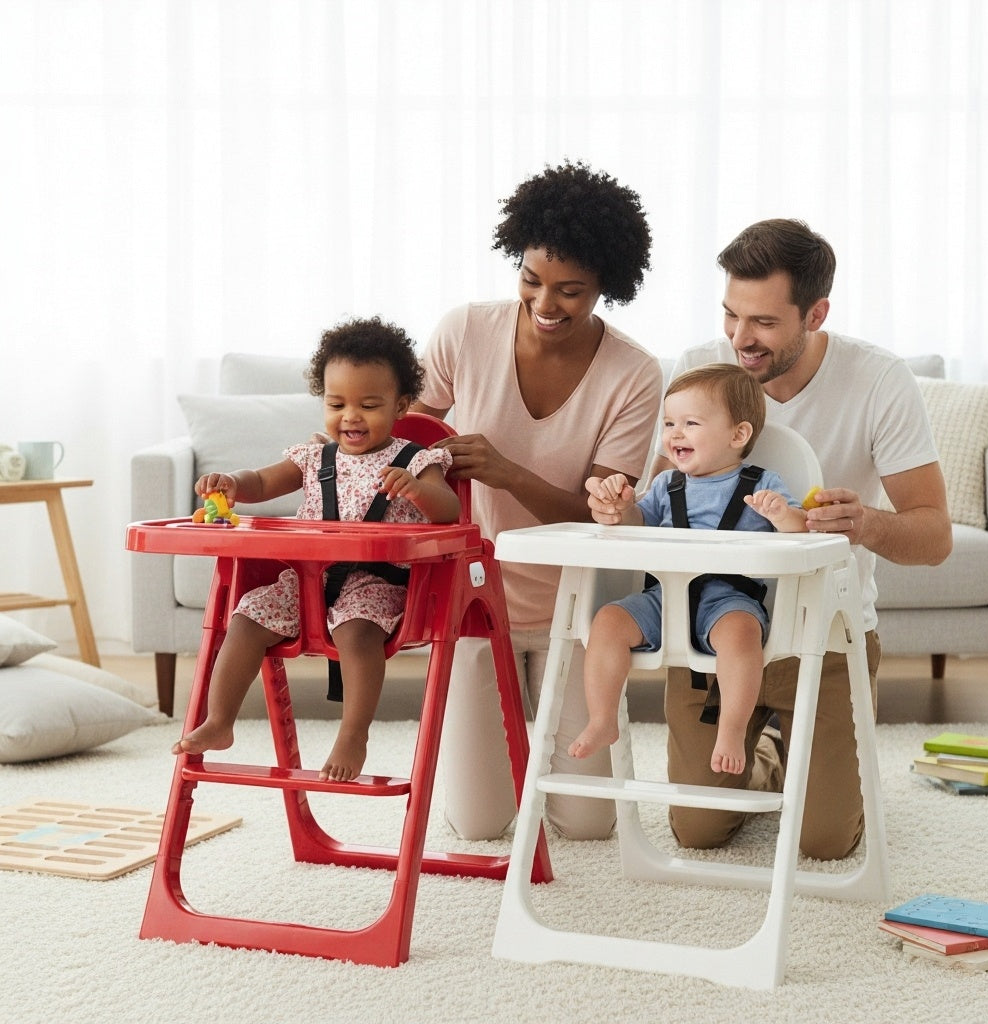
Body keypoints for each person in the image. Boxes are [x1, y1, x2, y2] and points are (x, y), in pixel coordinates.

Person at [649, 218, 952, 859]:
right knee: (699, 830)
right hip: (712, 632)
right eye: (731, 315)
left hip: (826, 636)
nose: (739, 339)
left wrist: (865, 523)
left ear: (815, 314)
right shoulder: (700, 368)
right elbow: (660, 499)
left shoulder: (877, 378)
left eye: (763, 322)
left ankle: (801, 747)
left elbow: (935, 538)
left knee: (825, 842)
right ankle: (767, 749)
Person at [412, 160, 664, 841]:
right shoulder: (466, 332)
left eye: (570, 291)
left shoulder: (634, 374)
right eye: (531, 280)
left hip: (575, 610)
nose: (545, 303)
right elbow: (402, 438)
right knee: (479, 825)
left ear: (607, 285)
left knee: (586, 826)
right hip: (472, 602)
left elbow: (598, 517)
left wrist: (506, 472)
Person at [171, 317, 460, 781]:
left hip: (376, 583)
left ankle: (353, 733)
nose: (351, 416)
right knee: (244, 618)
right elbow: (262, 481)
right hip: (307, 580)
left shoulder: (416, 460)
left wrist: (416, 490)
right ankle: (220, 720)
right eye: (336, 403)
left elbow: (449, 510)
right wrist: (233, 483)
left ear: (401, 405)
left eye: (369, 405)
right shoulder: (314, 457)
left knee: (357, 633)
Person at [570, 363, 808, 774]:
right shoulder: (666, 485)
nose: (675, 434)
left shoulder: (762, 483)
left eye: (690, 423)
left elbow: (801, 531)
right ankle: (602, 718)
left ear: (738, 435)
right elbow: (636, 524)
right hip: (663, 597)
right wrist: (620, 508)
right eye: (669, 423)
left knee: (742, 635)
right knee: (607, 620)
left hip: (729, 600)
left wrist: (782, 514)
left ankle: (731, 729)